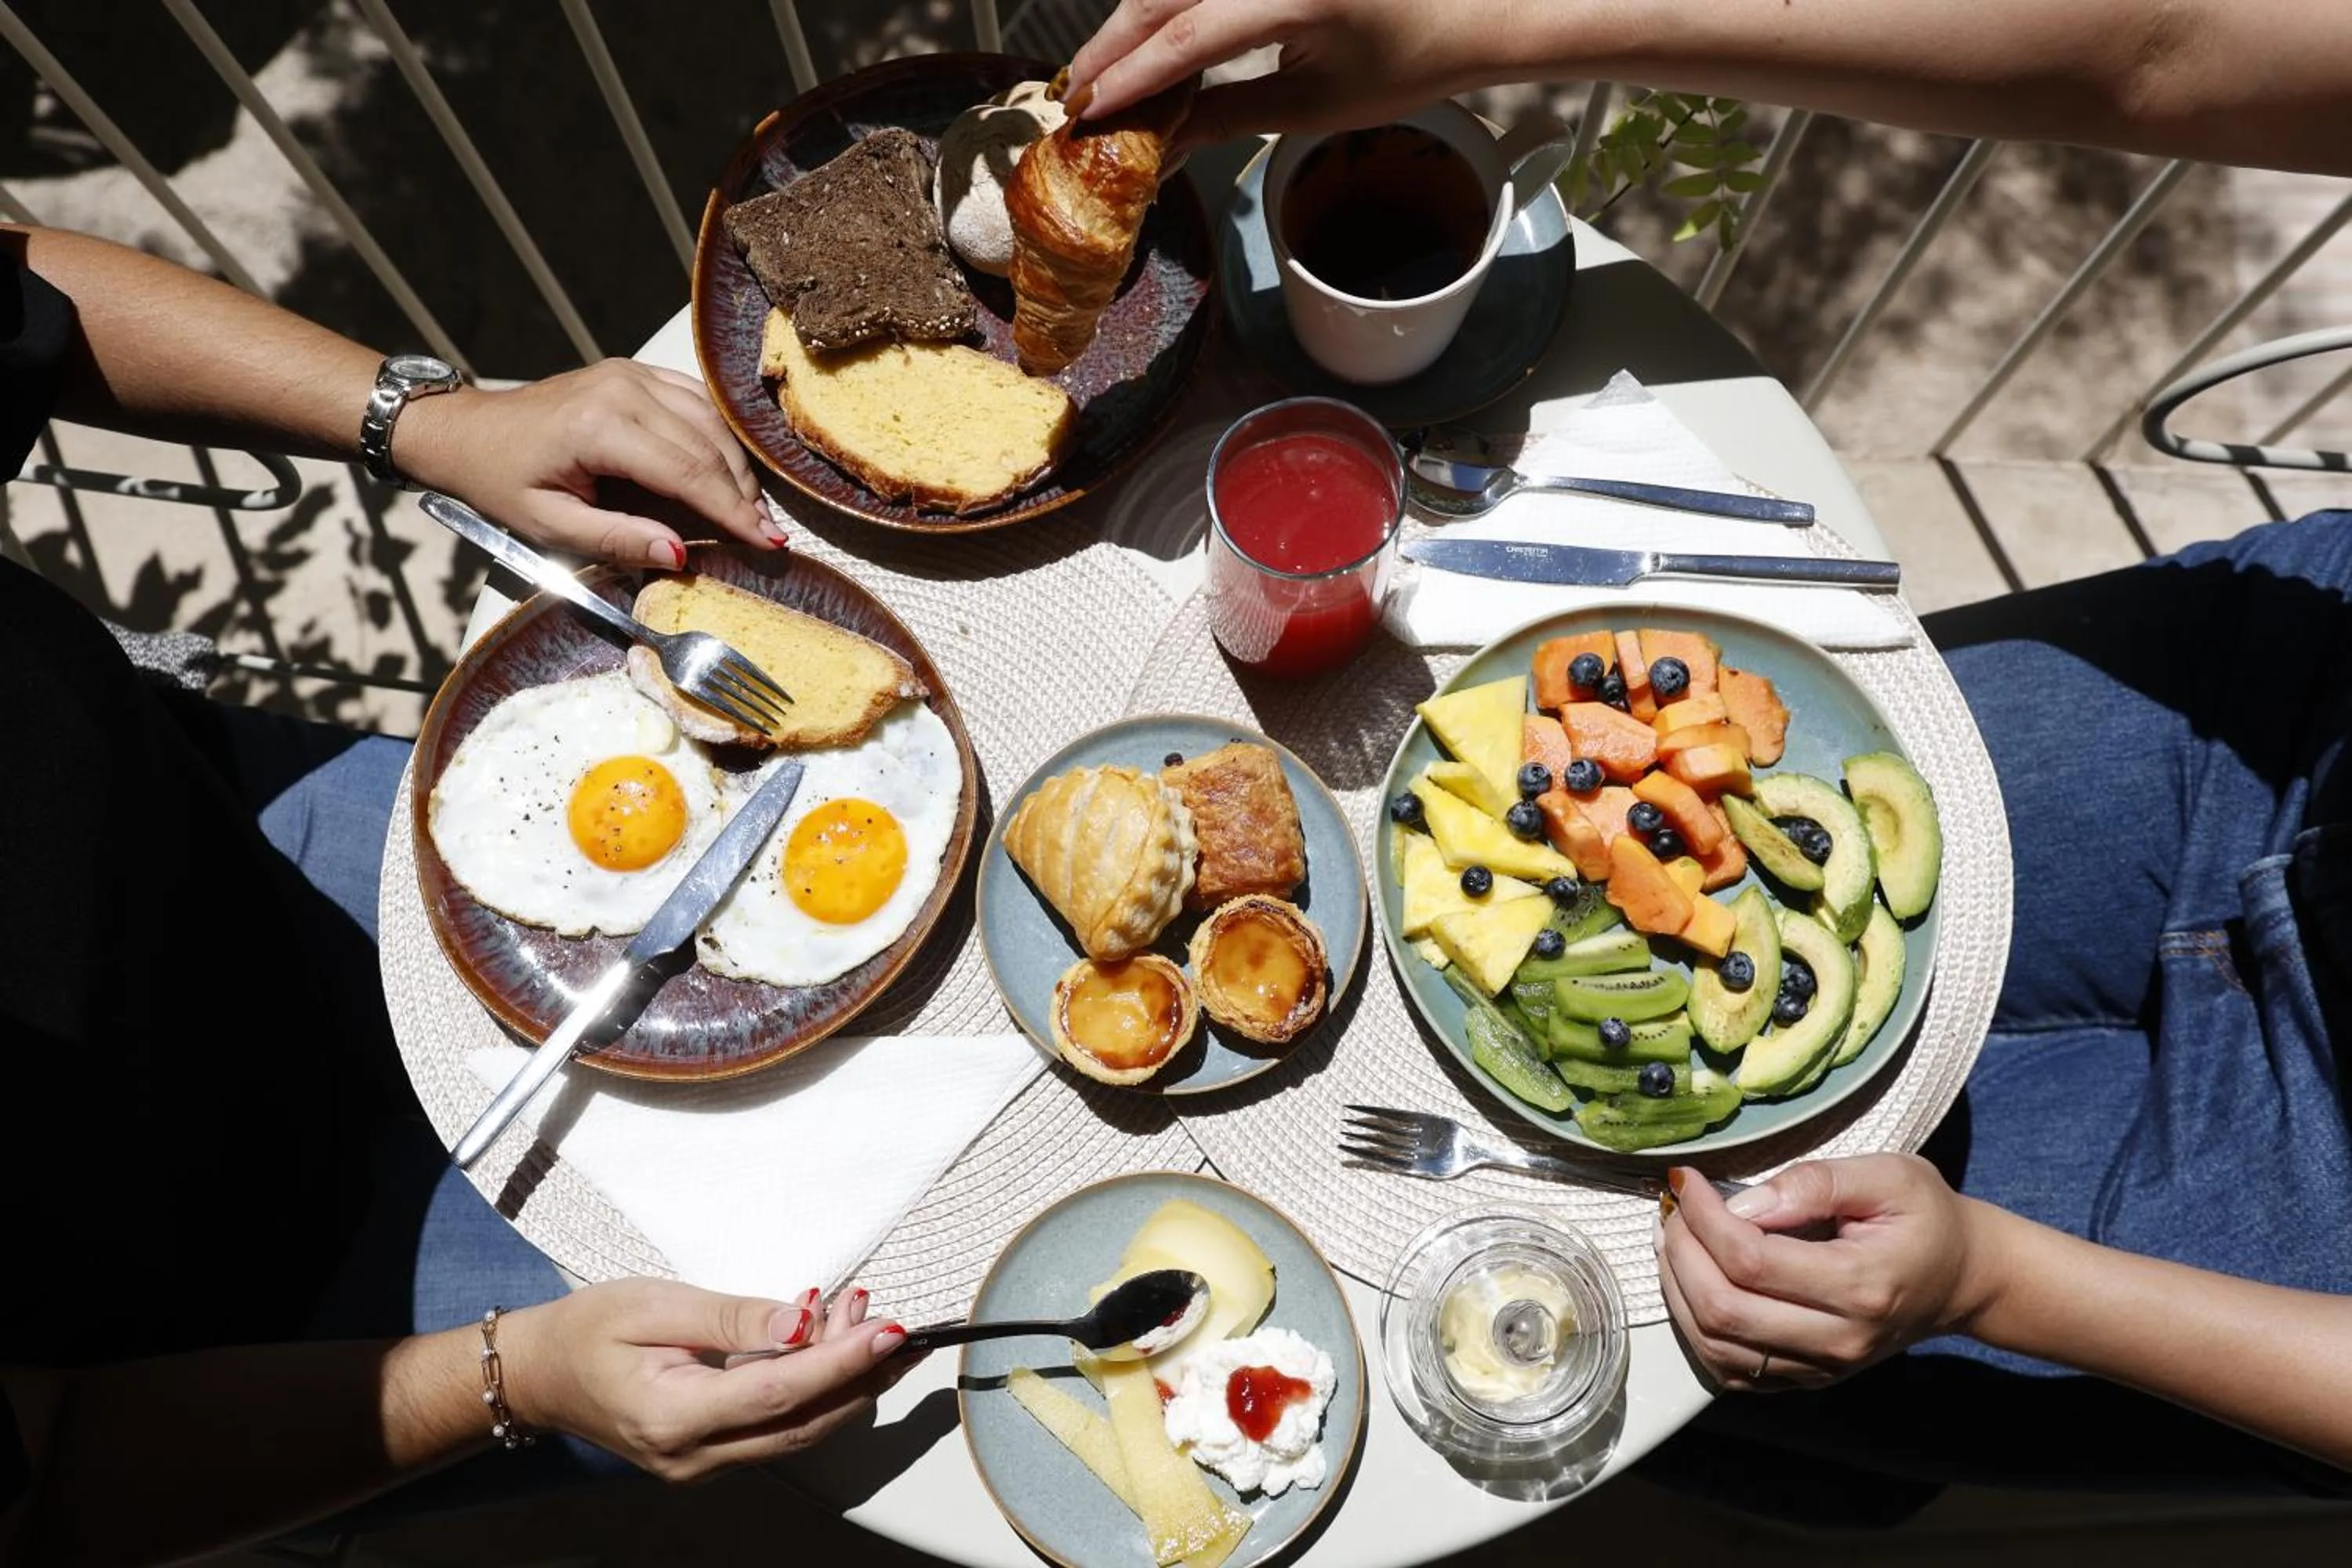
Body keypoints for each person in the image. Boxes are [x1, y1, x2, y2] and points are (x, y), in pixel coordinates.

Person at [1069, 0, 2352, 1512]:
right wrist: (1485, 28)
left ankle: (1815, 1475)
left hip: (2306, 1214)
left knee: (1725, 1329)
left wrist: (1998, 1286)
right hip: (2292, 700)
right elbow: (2171, 48)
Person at [1, 225, 914, 1566]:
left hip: (256, 830)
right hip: (285, 1313)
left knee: (888, 1025)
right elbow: (51, 1484)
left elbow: (22, 293)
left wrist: (426, 422)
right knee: (869, 1282)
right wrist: (515, 1381)